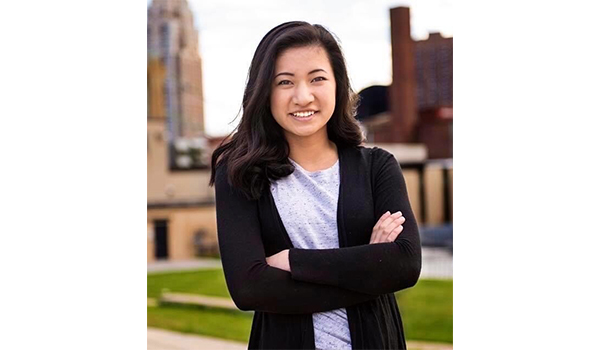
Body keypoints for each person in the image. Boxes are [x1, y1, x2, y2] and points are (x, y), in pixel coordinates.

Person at [209, 21, 421, 350]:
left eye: (317, 78)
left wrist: (294, 261)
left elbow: (405, 265)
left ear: (338, 85)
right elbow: (249, 289)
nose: (302, 96)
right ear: (264, 91)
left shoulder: (377, 167)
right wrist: (370, 268)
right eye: (285, 82)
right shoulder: (240, 174)